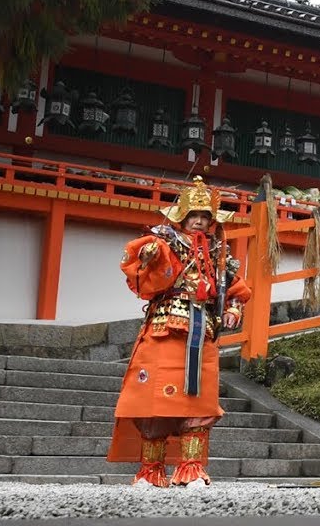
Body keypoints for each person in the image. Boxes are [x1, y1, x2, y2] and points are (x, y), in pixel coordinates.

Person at [108, 176, 250, 487]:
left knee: (196, 402)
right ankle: (151, 471)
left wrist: (232, 310)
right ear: (182, 216)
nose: (199, 222)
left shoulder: (219, 254)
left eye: (205, 217)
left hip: (202, 332)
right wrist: (148, 256)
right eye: (194, 216)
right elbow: (142, 261)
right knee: (153, 399)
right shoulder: (164, 240)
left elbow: (238, 291)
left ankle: (191, 468)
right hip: (164, 327)